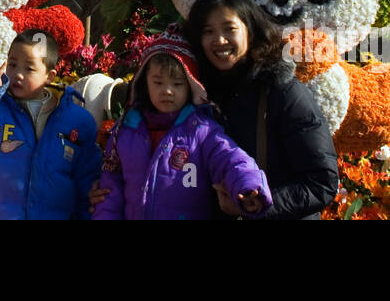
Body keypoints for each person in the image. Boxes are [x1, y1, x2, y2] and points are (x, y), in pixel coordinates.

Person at [186, 0, 339, 219]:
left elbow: (321, 182)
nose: (220, 40)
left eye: (229, 28)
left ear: (250, 30)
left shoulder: (281, 90)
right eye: (208, 31)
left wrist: (259, 206)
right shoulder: (199, 91)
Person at [92, 27, 271, 220]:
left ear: (191, 86)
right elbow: (110, 187)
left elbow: (232, 159)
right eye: (158, 82)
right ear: (144, 83)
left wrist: (250, 186)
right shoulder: (125, 130)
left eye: (177, 84)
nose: (167, 91)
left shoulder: (202, 131)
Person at [0, 28, 101, 219]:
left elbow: (87, 179)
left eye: (29, 68)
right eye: (13, 64)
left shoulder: (76, 120)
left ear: (50, 76)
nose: (17, 74)